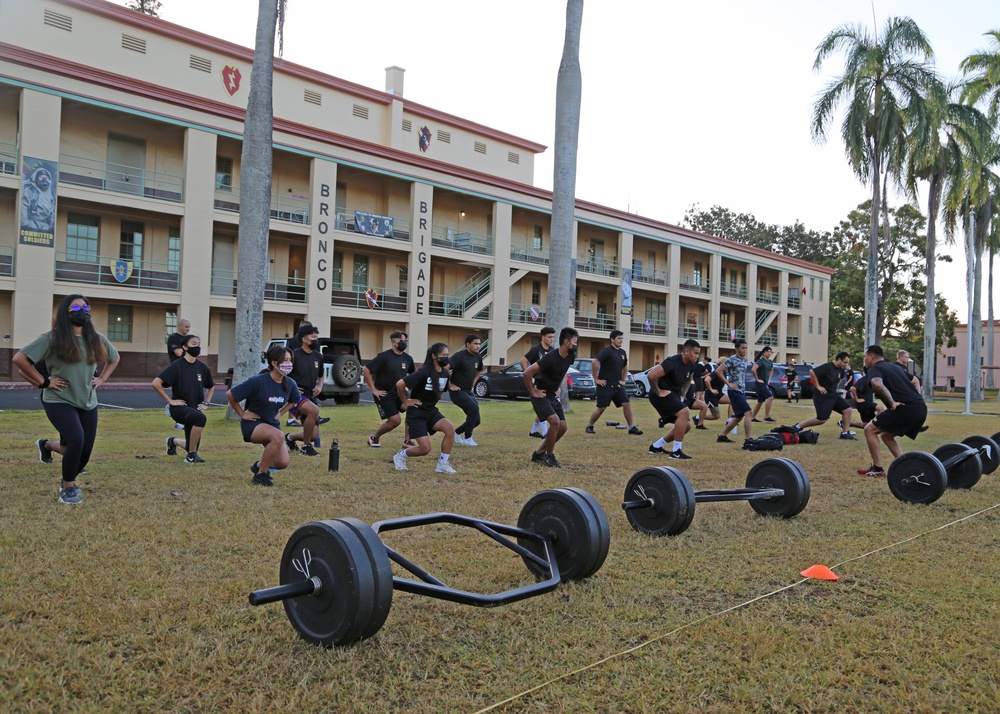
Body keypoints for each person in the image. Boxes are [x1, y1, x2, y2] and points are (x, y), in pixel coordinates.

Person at [13, 294, 120, 504]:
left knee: (85, 451)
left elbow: (115, 357)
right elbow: (20, 359)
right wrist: (44, 382)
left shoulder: (97, 339)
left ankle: (47, 446)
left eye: (85, 306)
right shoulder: (52, 338)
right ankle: (67, 487)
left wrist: (103, 378)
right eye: (76, 307)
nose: (82, 310)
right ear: (65, 311)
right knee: (76, 440)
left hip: (87, 400)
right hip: (58, 399)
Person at [227, 344, 300, 486]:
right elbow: (231, 394)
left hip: (272, 425)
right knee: (278, 436)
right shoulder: (258, 381)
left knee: (282, 463)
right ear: (274, 363)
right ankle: (261, 475)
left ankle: (258, 466)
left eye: (290, 360)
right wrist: (242, 414)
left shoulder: (290, 383)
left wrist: (281, 412)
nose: (289, 364)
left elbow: (294, 400)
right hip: (254, 425)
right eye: (285, 360)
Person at [857, 345, 927, 478]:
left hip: (906, 409)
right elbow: (915, 380)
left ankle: (877, 469)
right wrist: (916, 400)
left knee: (869, 430)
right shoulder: (895, 367)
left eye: (865, 357)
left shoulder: (875, 368)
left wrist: (891, 403)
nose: (864, 360)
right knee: (886, 436)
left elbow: (878, 384)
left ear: (871, 357)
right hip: (920, 407)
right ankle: (904, 465)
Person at [392, 343, 458, 473]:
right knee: (425, 449)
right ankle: (400, 456)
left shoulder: (445, 373)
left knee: (450, 429)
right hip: (416, 413)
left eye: (447, 355)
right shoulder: (423, 372)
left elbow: (440, 391)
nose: (446, 358)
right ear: (434, 356)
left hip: (431, 411)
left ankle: (442, 464)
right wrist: (406, 401)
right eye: (443, 355)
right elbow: (400, 384)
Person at [152, 334, 214, 463]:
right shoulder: (177, 366)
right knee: (201, 418)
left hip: (194, 409)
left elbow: (211, 387)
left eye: (198, 344)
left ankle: (172, 441)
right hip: (180, 408)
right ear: (185, 347)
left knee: (193, 444)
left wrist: (206, 402)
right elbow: (156, 383)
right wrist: (170, 401)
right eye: (193, 344)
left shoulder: (202, 367)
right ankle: (191, 456)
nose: (197, 346)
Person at [523, 327, 578, 467]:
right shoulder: (550, 357)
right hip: (540, 394)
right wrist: (533, 392)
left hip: (552, 394)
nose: (576, 345)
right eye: (574, 342)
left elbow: (562, 371)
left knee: (563, 427)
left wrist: (558, 386)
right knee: (554, 422)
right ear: (566, 342)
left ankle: (539, 453)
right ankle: (549, 456)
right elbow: (527, 373)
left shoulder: (571, 356)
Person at [645, 339, 701, 459]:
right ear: (686, 351)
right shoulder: (672, 362)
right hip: (659, 396)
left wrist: (683, 395)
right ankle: (676, 452)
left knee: (686, 426)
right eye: (695, 353)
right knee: (685, 411)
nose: (697, 356)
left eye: (698, 354)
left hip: (673, 395)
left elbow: (688, 380)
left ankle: (656, 447)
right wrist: (658, 392)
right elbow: (651, 375)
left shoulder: (691, 365)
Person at [585, 330, 642, 435]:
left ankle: (632, 427)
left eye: (622, 339)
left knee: (627, 404)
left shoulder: (622, 352)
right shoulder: (606, 351)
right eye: (619, 338)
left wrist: (623, 380)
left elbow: (625, 366)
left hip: (617, 385)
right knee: (601, 408)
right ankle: (590, 426)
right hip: (605, 385)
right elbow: (595, 362)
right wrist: (596, 379)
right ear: (612, 339)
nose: (621, 341)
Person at [787, 352, 856, 440]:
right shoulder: (827, 366)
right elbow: (812, 372)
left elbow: (839, 380)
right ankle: (797, 427)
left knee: (847, 410)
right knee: (821, 419)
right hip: (822, 396)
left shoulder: (841, 370)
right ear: (839, 359)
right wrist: (818, 386)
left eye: (847, 363)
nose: (846, 365)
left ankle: (845, 433)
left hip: (833, 395)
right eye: (844, 362)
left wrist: (835, 388)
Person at [364, 330, 415, 448]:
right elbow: (367, 369)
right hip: (384, 394)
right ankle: (374, 437)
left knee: (413, 409)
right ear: (393, 343)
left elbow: (413, 375)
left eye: (405, 341)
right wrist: (373, 389)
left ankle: (407, 441)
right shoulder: (384, 356)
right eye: (401, 340)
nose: (404, 343)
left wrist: (411, 390)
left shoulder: (408, 359)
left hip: (400, 393)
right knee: (395, 421)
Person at [285, 324, 325, 455]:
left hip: (310, 396)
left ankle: (289, 438)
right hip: (295, 396)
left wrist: (319, 385)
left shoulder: (318, 356)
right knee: (314, 410)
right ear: (304, 339)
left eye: (316, 337)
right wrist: (293, 387)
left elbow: (321, 374)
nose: (316, 340)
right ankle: (306, 447)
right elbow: (283, 374)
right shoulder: (293, 355)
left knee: (313, 435)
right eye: (313, 337)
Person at [448, 334, 486, 446]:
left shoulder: (478, 357)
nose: (478, 346)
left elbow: (479, 370)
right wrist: (450, 385)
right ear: (467, 344)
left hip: (468, 391)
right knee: (473, 409)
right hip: (457, 391)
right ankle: (468, 438)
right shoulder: (459, 356)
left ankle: (457, 432)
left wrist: (473, 384)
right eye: (475, 343)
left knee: (477, 421)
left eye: (479, 344)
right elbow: (445, 369)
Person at [715, 339, 754, 444]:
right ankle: (748, 439)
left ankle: (722, 436)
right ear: (736, 349)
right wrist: (728, 383)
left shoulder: (745, 360)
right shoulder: (731, 360)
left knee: (738, 417)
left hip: (742, 390)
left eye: (746, 348)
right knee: (749, 412)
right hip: (734, 391)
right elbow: (718, 371)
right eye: (742, 348)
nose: (744, 350)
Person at [521, 326, 556, 439]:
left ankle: (534, 431)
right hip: (538, 384)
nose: (552, 339)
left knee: (546, 407)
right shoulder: (536, 349)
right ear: (543, 337)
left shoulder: (552, 351)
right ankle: (545, 433)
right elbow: (523, 361)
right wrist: (529, 375)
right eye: (549, 337)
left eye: (553, 337)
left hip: (548, 384)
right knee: (544, 407)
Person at [166, 318, 192, 428]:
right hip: (177, 370)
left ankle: (180, 415)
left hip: (189, 369)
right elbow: (178, 353)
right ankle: (178, 420)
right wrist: (190, 351)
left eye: (189, 327)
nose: (188, 329)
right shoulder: (173, 338)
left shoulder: (188, 339)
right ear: (180, 326)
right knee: (180, 394)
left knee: (189, 394)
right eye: (186, 326)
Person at [750, 346, 777, 423]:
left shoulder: (770, 362)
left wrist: (769, 379)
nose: (769, 353)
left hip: (765, 383)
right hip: (760, 384)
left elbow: (771, 370)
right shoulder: (760, 361)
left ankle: (752, 417)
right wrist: (757, 379)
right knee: (770, 397)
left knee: (760, 401)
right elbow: (753, 369)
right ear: (764, 352)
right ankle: (767, 416)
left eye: (770, 352)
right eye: (768, 351)